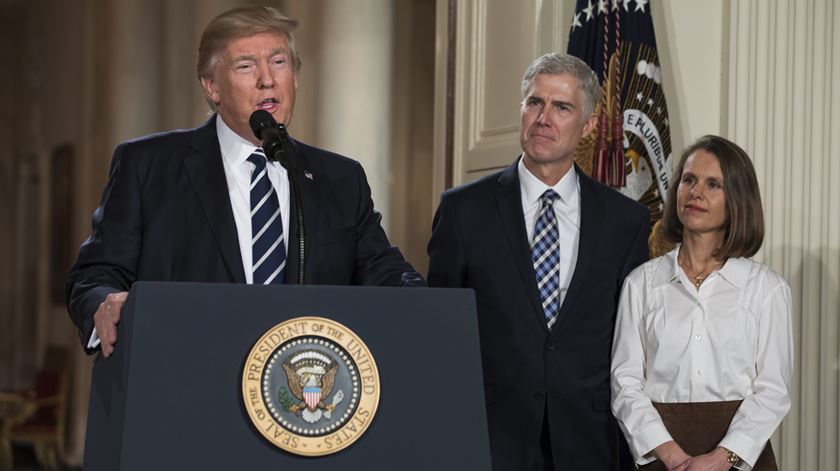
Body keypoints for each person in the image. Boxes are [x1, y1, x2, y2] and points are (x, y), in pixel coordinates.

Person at [66, 6, 423, 358]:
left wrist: (434, 306)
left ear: (295, 77)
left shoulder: (340, 179)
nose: (267, 79)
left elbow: (383, 272)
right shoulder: (149, 166)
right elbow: (95, 274)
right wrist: (104, 304)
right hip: (186, 383)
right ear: (212, 87)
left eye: (279, 62)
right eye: (246, 66)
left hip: (300, 397)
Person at [427, 52, 650, 470]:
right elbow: (441, 334)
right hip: (491, 437)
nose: (543, 118)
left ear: (587, 127)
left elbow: (631, 343)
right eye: (534, 102)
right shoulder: (463, 211)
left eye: (561, 107)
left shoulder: (626, 222)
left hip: (592, 439)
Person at [611, 135, 793, 471]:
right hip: (660, 456)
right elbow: (625, 383)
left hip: (740, 460)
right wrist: (670, 455)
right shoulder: (640, 284)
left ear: (737, 198)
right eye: (689, 180)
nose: (696, 192)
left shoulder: (767, 289)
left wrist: (722, 458)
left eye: (713, 184)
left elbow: (772, 391)